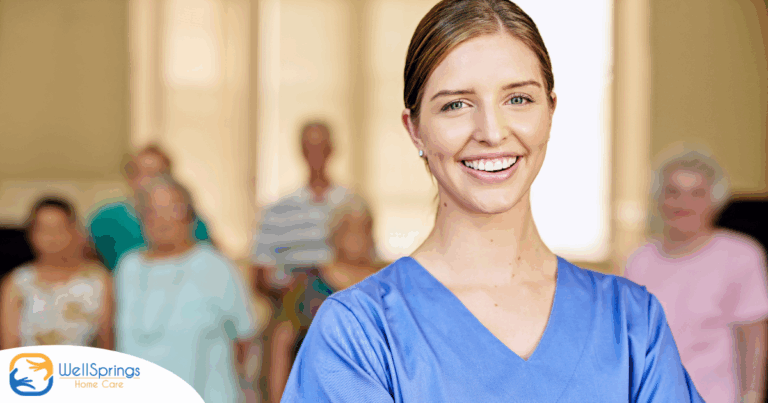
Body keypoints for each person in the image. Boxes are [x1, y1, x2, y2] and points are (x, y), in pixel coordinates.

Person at [280, 0, 703, 401]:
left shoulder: (631, 323)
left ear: (550, 112)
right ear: (415, 130)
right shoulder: (359, 333)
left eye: (518, 99)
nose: (492, 132)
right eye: (456, 105)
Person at [625, 145, 768, 403]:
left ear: (714, 201)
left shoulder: (741, 255)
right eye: (673, 192)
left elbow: (752, 339)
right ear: (658, 198)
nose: (683, 203)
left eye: (696, 194)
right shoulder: (640, 259)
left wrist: (752, 398)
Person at [114, 175, 256, 402]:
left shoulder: (216, 266)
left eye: (172, 210)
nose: (161, 220)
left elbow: (244, 339)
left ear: (190, 215)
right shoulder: (127, 267)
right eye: (152, 211)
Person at [250, 121, 358, 402]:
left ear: (332, 150)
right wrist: (290, 288)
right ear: (300, 151)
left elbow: (363, 259)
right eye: (310, 147)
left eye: (321, 146)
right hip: (292, 297)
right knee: (282, 334)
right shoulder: (278, 210)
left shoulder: (352, 205)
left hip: (341, 294)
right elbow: (259, 276)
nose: (316, 153)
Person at [0, 197, 113, 349]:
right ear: (31, 234)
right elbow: (9, 345)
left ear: (75, 231)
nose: (52, 238)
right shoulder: (17, 283)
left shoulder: (98, 280)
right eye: (44, 230)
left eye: (59, 229)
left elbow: (106, 341)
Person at [87, 144, 212, 271]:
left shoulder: (189, 220)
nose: (148, 180)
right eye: (140, 173)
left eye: (157, 173)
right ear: (129, 177)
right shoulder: (104, 221)